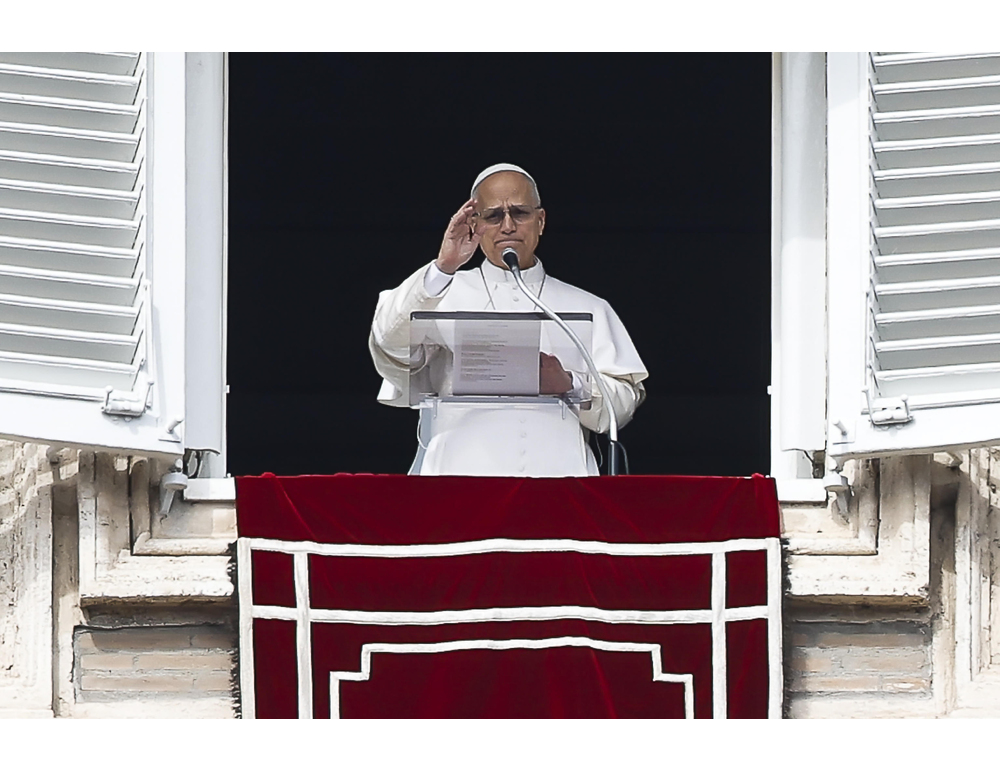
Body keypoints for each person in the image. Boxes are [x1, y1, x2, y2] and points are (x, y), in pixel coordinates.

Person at [369, 163, 648, 476]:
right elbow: (387, 346)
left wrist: (570, 384)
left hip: (560, 481)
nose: (507, 226)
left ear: (540, 221)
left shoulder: (588, 306)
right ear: (474, 224)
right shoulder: (439, 292)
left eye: (520, 213)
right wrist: (443, 267)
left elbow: (621, 405)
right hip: (458, 477)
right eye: (493, 216)